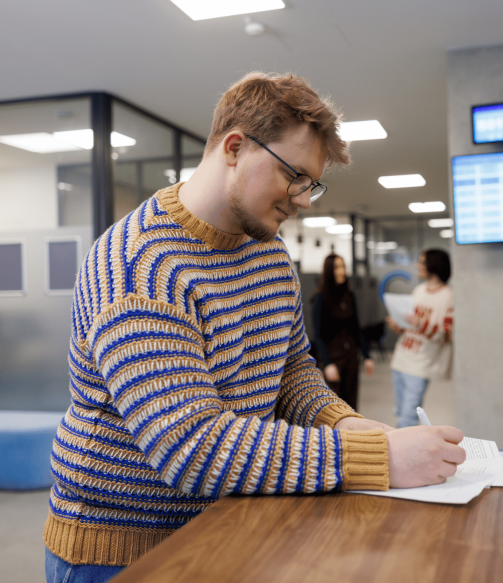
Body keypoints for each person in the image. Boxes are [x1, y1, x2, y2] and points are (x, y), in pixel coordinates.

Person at [43, 72, 466, 582]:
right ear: (235, 148)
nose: (304, 199)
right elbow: (192, 447)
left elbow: (290, 368)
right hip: (121, 549)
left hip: (228, 520)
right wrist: (376, 457)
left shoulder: (268, 251)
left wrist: (343, 423)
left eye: (312, 184)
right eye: (295, 176)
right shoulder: (139, 264)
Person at [386, 249, 453, 428]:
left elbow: (446, 335)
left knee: (407, 419)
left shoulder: (448, 296)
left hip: (421, 365)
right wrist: (398, 325)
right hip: (400, 359)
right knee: (399, 413)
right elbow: (410, 326)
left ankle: (403, 447)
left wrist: (421, 323)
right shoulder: (418, 290)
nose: (418, 266)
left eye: (422, 262)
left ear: (434, 265)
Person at [312, 254, 375, 409]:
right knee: (333, 407)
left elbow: (356, 329)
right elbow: (318, 335)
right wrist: (327, 364)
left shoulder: (349, 295)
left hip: (351, 357)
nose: (341, 271)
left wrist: (367, 356)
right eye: (336, 267)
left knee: (351, 405)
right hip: (333, 358)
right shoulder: (320, 298)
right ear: (329, 271)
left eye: (343, 267)